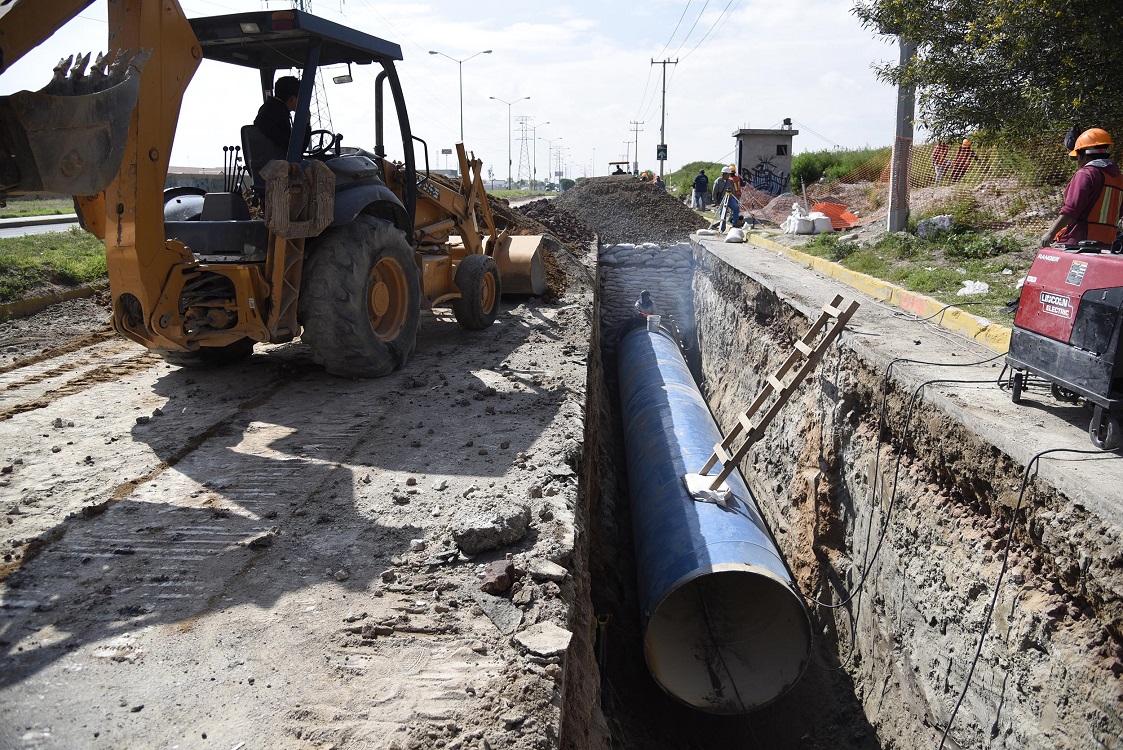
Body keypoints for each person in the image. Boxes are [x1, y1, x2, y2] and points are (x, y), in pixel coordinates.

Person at [1041, 128, 1123, 248]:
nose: (1078, 162)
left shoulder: (1086, 174)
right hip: (1107, 243)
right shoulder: (1119, 179)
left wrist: (1050, 234)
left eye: (1078, 157)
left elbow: (1071, 210)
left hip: (1080, 241)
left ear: (1086, 156)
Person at [253, 75, 301, 156]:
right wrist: (307, 125)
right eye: (300, 97)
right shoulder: (279, 114)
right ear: (292, 99)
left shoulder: (270, 108)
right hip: (281, 163)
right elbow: (296, 150)